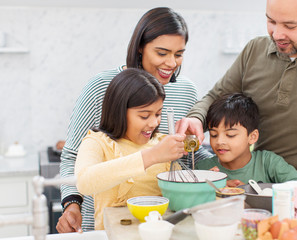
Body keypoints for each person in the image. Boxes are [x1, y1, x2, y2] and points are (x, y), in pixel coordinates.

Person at [57, 7, 212, 233]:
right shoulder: (102, 86)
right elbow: (73, 156)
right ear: (141, 47)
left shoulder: (186, 91)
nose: (171, 63)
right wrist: (72, 204)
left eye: (179, 54)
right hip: (102, 224)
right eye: (162, 53)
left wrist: (214, 165)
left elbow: (186, 154)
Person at [176, 0, 297, 197]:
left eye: (290, 26)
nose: (277, 34)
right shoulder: (254, 51)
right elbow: (216, 96)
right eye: (271, 21)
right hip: (257, 192)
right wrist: (196, 118)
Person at [74, 68, 185, 230]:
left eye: (158, 114)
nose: (154, 123)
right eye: (144, 116)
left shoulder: (161, 142)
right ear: (119, 111)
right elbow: (84, 182)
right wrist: (151, 156)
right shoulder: (97, 142)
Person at [195, 93, 297, 202]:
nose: (219, 141)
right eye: (213, 135)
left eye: (230, 135)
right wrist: (211, 188)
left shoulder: (268, 162)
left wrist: (253, 192)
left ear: (252, 137)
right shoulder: (204, 169)